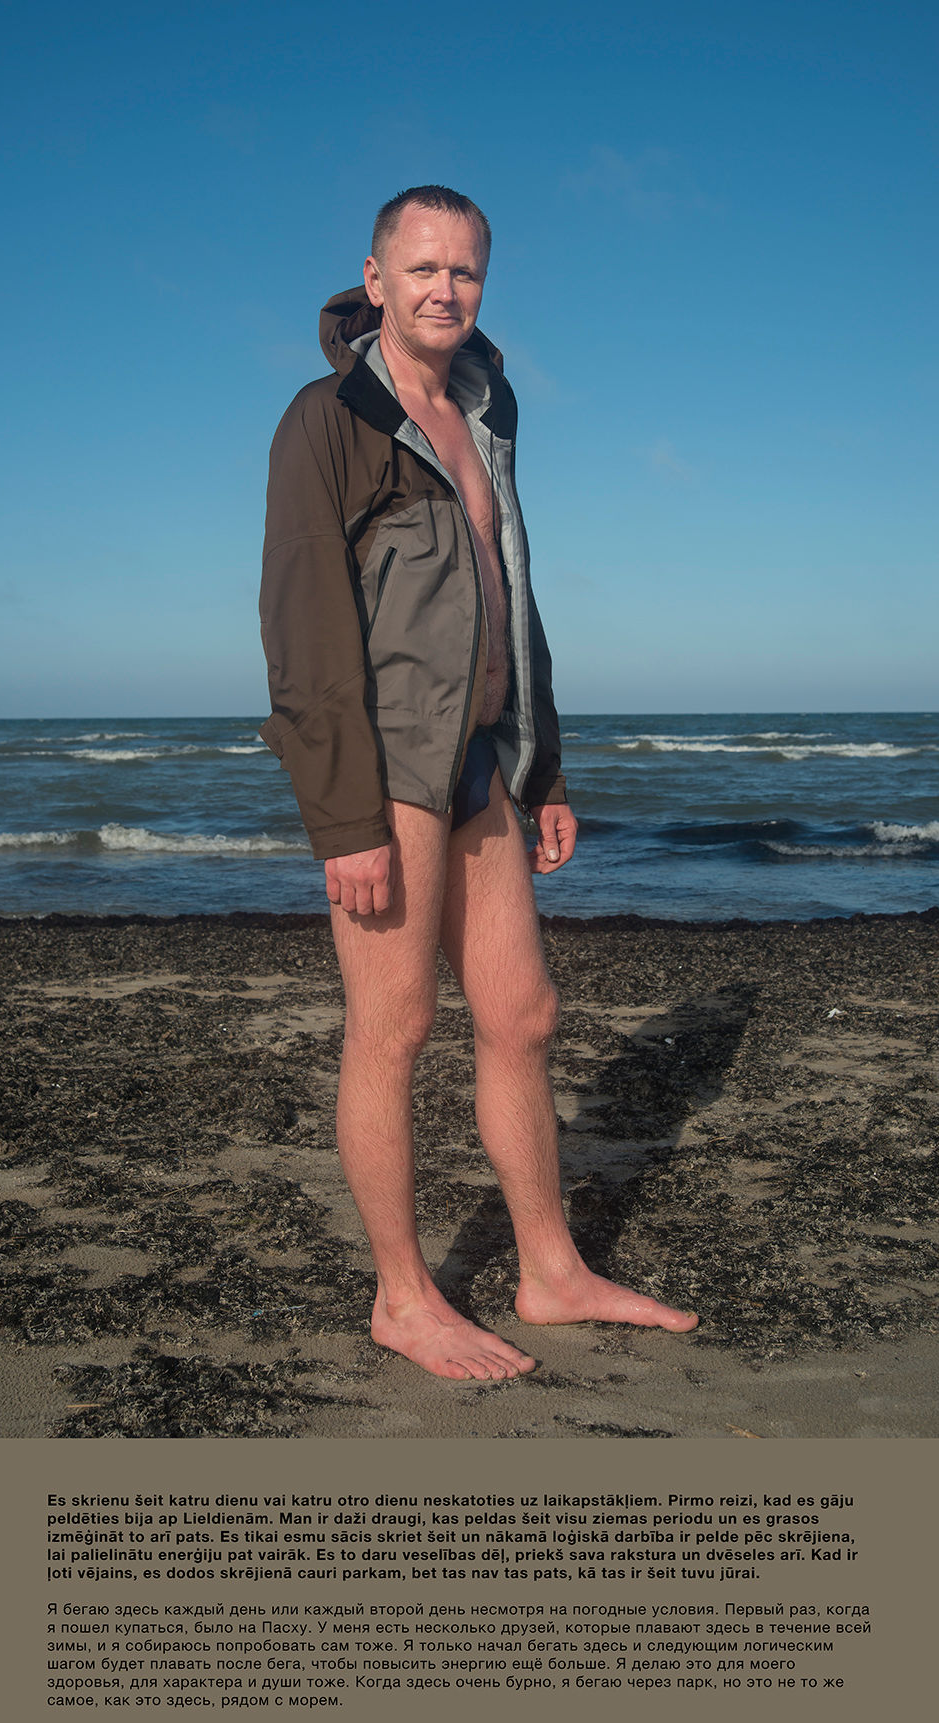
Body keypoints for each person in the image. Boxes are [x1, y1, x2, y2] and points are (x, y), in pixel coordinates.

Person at [259, 185, 698, 1379]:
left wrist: (543, 766)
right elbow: (303, 632)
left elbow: (510, 601)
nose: (444, 290)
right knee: (393, 1028)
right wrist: (344, 819)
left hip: (483, 761)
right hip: (391, 773)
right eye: (423, 269)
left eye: (465, 272)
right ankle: (403, 1298)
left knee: (523, 1014)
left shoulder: (486, 413)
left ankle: (549, 1271)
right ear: (376, 279)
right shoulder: (329, 420)